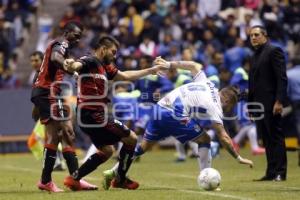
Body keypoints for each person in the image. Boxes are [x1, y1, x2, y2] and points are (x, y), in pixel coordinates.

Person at [102, 58, 254, 190]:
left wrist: (169, 64)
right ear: (227, 101)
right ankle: (206, 176)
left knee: (143, 147)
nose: (228, 110)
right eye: (230, 107)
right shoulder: (216, 105)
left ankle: (113, 171)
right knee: (205, 140)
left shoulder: (208, 84)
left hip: (159, 108)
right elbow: (223, 136)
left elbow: (193, 66)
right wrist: (238, 157)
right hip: (174, 113)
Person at [62, 36, 168, 191]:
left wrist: (152, 70)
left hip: (88, 116)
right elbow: (76, 65)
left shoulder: (106, 67)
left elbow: (125, 76)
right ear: (103, 49)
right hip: (93, 115)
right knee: (131, 138)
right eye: (113, 52)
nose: (115, 55)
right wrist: (70, 64)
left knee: (107, 150)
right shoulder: (90, 61)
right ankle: (120, 179)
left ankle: (74, 178)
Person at [31, 21, 96, 192]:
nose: (77, 39)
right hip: (48, 93)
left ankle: (74, 178)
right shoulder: (60, 44)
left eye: (79, 37)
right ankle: (47, 181)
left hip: (49, 94)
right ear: (67, 32)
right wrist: (72, 70)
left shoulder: (60, 47)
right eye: (75, 35)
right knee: (60, 134)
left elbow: (44, 70)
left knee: (66, 134)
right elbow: (55, 58)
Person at [248, 25, 288, 181]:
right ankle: (271, 172)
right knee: (266, 139)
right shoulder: (254, 56)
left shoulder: (274, 51)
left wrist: (279, 101)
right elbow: (252, 82)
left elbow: (281, 78)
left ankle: (280, 172)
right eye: (251, 35)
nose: (253, 38)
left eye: (256, 34)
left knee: (276, 137)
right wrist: (250, 105)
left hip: (272, 103)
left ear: (265, 36)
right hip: (258, 104)